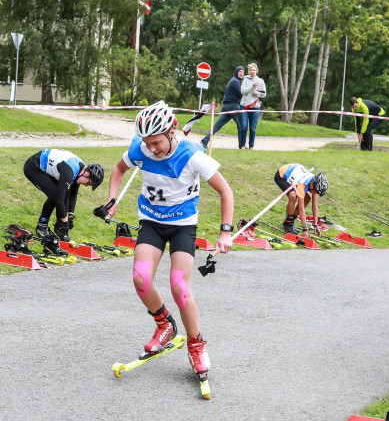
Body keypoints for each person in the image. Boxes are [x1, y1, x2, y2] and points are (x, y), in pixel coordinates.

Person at [100, 101, 234, 385]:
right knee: (140, 279)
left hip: (182, 227)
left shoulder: (192, 155)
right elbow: (117, 170)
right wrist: (112, 200)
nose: (151, 149)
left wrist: (225, 231)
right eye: (147, 143)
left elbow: (226, 191)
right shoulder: (141, 148)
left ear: (172, 131)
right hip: (151, 221)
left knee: (180, 287)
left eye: (156, 142)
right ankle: (164, 324)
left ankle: (196, 345)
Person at [23, 148, 104, 242]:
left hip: (48, 166)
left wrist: (70, 217)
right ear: (86, 174)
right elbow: (58, 199)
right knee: (55, 194)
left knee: (65, 193)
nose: (86, 186)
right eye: (89, 183)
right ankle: (41, 226)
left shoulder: (81, 171)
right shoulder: (69, 172)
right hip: (34, 166)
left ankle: (59, 230)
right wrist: (64, 221)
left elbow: (73, 194)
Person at [274, 163, 328, 238]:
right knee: (292, 195)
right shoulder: (302, 184)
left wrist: (315, 224)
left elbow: (315, 206)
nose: (315, 193)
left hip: (295, 172)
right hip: (281, 175)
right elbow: (301, 207)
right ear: (312, 184)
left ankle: (292, 220)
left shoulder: (315, 185)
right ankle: (288, 222)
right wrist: (305, 228)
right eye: (315, 191)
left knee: (308, 197)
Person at [201, 66, 245, 149]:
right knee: (241, 125)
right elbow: (241, 95)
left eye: (243, 72)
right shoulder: (236, 82)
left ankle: (204, 141)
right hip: (233, 106)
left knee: (217, 126)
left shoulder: (232, 80)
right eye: (240, 71)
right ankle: (242, 146)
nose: (241, 73)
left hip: (225, 107)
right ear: (236, 72)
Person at [240, 63, 267, 150]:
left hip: (255, 107)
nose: (252, 71)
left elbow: (264, 94)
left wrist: (257, 93)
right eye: (251, 70)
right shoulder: (245, 80)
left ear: (256, 71)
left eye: (254, 70)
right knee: (244, 126)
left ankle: (251, 146)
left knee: (252, 128)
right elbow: (243, 91)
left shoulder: (261, 81)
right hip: (245, 106)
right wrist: (252, 86)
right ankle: (242, 146)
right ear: (249, 71)